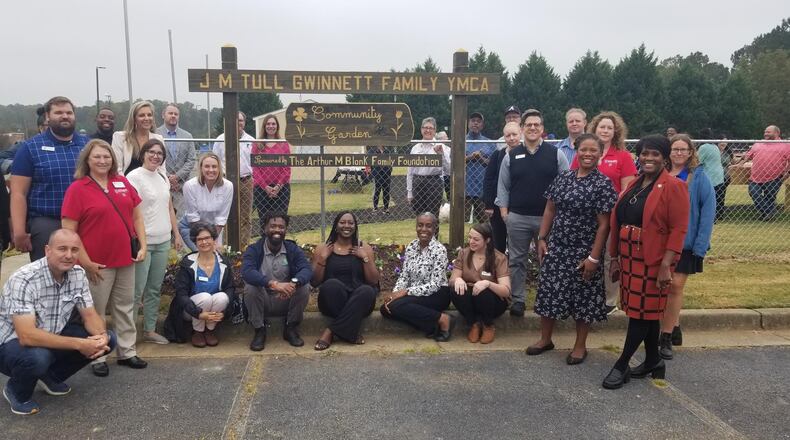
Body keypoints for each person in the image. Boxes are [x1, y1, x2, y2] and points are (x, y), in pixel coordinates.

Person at [602, 135, 689, 390]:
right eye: (644, 154)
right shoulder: (635, 185)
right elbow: (619, 220)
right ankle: (653, 360)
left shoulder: (673, 186)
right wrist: (615, 257)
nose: (649, 158)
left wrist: (666, 265)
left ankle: (621, 365)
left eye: (655, 154)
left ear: (664, 157)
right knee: (645, 312)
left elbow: (679, 229)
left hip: (653, 260)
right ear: (638, 156)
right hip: (629, 258)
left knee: (641, 315)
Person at [0, 229, 116, 415]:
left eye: (74, 250)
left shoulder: (77, 274)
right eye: (62, 249)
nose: (69, 255)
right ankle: (15, 390)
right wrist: (80, 344)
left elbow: (90, 315)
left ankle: (48, 376)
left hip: (50, 334)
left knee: (109, 339)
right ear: (48, 250)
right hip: (10, 344)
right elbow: (26, 335)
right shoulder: (24, 279)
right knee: (38, 358)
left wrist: (100, 337)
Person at [61, 139, 148, 377]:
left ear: (113, 159)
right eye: (97, 157)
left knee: (125, 306)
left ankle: (127, 352)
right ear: (87, 160)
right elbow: (69, 231)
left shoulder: (122, 182)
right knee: (95, 311)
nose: (102, 161)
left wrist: (143, 244)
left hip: (125, 259)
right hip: (96, 263)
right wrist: (85, 262)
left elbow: (137, 217)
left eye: (106, 156)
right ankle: (97, 354)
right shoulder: (78, 189)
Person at [529, 134, 618, 364]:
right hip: (557, 247)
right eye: (584, 149)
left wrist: (594, 257)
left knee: (583, 299)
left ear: (600, 153)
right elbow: (550, 209)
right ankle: (545, 339)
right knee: (549, 293)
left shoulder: (602, 184)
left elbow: (604, 225)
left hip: (584, 251)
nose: (588, 154)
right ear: (576, 151)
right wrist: (542, 237)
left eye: (593, 150)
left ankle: (580, 346)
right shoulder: (564, 178)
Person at [496, 109, 570, 317]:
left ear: (542, 129)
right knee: (517, 260)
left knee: (547, 259)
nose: (533, 128)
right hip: (517, 217)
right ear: (522, 129)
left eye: (537, 124)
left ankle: (547, 298)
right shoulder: (512, 155)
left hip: (547, 218)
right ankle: (518, 300)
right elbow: (503, 186)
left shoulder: (556, 154)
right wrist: (504, 213)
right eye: (529, 125)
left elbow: (565, 185)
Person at [571, 111, 638, 315]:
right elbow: (574, 179)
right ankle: (582, 294)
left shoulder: (623, 156)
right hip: (584, 216)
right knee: (585, 254)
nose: (606, 130)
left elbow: (627, 188)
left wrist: (613, 208)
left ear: (615, 131)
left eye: (609, 127)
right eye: (602, 127)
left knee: (610, 256)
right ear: (594, 129)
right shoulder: (584, 152)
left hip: (610, 215)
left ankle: (609, 300)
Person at [10, 96, 89, 262]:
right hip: (47, 222)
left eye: (69, 112)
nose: (65, 116)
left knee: (86, 275)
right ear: (47, 116)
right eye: (58, 112)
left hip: (85, 221)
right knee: (49, 277)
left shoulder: (87, 145)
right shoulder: (30, 148)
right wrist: (18, 231)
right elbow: (18, 193)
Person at [661, 134, 715, 360]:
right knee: (662, 287)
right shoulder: (660, 175)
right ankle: (674, 326)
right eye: (675, 149)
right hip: (662, 243)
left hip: (686, 243)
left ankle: (664, 338)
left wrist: (700, 247)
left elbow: (707, 213)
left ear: (691, 152)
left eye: (684, 149)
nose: (679, 153)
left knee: (674, 287)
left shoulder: (699, 177)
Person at [126, 139, 184, 345]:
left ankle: (149, 330)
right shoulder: (133, 177)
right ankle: (128, 334)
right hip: (144, 243)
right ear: (143, 154)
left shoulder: (162, 177)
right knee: (136, 290)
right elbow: (130, 211)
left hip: (162, 241)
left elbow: (169, 208)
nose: (155, 156)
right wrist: (139, 241)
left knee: (153, 288)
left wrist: (176, 234)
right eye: (151, 152)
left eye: (160, 153)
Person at [310, 212, 379, 350]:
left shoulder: (364, 248)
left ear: (355, 226)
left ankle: (330, 332)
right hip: (332, 299)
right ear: (336, 226)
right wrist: (322, 260)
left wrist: (365, 258)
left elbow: (373, 281)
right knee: (331, 284)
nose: (346, 226)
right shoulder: (323, 248)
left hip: (359, 300)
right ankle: (350, 331)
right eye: (342, 222)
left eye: (350, 223)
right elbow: (315, 282)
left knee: (366, 290)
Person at [243, 213, 312, 351]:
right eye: (273, 226)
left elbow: (306, 269)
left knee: (304, 287)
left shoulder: (292, 249)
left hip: (285, 299)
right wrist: (273, 284)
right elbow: (247, 272)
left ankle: (290, 328)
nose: (277, 230)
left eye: (281, 227)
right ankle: (259, 330)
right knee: (250, 288)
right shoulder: (254, 249)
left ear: (286, 230)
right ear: (264, 229)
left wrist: (293, 284)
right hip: (263, 300)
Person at [380, 213, 454, 341]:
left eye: (428, 226)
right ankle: (431, 325)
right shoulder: (411, 247)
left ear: (435, 228)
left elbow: (435, 285)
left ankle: (444, 319)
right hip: (415, 294)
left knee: (395, 307)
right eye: (420, 225)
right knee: (385, 309)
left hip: (437, 293)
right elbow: (404, 275)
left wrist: (406, 292)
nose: (424, 229)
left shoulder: (439, 250)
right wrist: (394, 294)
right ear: (416, 227)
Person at [164, 222, 236, 347]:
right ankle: (198, 332)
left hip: (214, 308)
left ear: (214, 239)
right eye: (200, 239)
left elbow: (230, 288)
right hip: (189, 311)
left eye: (207, 238)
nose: (204, 242)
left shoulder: (223, 263)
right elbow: (181, 294)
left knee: (223, 297)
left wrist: (224, 313)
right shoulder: (188, 263)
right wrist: (199, 314)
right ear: (195, 242)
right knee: (205, 297)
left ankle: (209, 330)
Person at [448, 223, 511, 344]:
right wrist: (458, 279)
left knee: (484, 291)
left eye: (476, 239)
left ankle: (488, 325)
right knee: (454, 289)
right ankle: (474, 324)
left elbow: (506, 290)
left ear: (487, 240)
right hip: (471, 299)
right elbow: (452, 279)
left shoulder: (499, 258)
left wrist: (488, 283)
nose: (471, 241)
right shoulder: (463, 253)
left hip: (492, 302)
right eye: (469, 237)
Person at [214, 111, 255, 246]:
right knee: (224, 215)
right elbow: (216, 161)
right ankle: (225, 246)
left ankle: (243, 247)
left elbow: (254, 163)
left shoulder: (251, 141)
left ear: (244, 123)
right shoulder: (220, 140)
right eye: (235, 120)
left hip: (245, 181)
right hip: (225, 182)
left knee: (245, 216)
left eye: (241, 121)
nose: (238, 124)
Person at [178, 152, 233, 251]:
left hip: (216, 229)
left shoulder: (228, 186)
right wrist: (205, 240)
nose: (211, 170)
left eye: (214, 166)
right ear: (201, 168)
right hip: (192, 228)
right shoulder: (189, 186)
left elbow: (222, 217)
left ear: (219, 169)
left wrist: (212, 239)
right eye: (207, 166)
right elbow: (193, 217)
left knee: (216, 255)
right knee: (199, 255)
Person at [250, 115, 291, 238]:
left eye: (273, 124)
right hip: (261, 190)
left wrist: (278, 186)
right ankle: (264, 248)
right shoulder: (257, 144)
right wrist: (266, 187)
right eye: (268, 124)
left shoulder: (283, 144)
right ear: (264, 126)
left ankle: (280, 246)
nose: (271, 126)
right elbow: (255, 168)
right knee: (264, 220)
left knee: (280, 221)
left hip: (281, 189)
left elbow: (287, 168)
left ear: (277, 126)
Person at [739, 125, 790, 221]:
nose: (765, 134)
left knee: (770, 198)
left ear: (777, 133)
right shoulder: (758, 144)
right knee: (754, 193)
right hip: (755, 177)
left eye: (768, 132)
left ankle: (766, 216)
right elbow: (747, 156)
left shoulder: (785, 145)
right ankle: (770, 211)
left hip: (775, 178)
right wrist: (739, 164)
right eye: (765, 132)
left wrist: (787, 173)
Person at [484, 121, 521, 253]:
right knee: (498, 240)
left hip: (518, 206)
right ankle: (498, 268)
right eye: (508, 135)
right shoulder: (497, 155)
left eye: (514, 134)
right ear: (504, 137)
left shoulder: (527, 155)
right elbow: (488, 179)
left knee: (516, 242)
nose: (511, 138)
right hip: (498, 205)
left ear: (520, 134)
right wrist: (488, 204)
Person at [156, 103, 196, 214]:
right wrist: (168, 177)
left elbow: (191, 160)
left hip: (181, 186)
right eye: (170, 113)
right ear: (163, 115)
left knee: (181, 219)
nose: (173, 116)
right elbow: (154, 159)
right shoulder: (155, 134)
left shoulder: (187, 136)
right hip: (161, 182)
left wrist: (177, 177)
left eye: (176, 114)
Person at [407, 118, 450, 217]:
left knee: (433, 216)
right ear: (421, 129)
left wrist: (441, 155)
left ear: (435, 130)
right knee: (419, 215)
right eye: (425, 127)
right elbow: (410, 172)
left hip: (434, 183)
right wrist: (409, 192)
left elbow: (448, 170)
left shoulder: (441, 146)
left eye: (431, 128)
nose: (428, 130)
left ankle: (435, 233)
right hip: (417, 183)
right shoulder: (415, 148)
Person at [111, 100, 165, 175]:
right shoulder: (120, 137)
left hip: (151, 184)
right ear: (134, 119)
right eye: (142, 115)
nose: (146, 118)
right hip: (126, 183)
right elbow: (117, 169)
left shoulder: (159, 139)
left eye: (149, 115)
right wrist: (127, 185)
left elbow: (161, 169)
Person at [465, 112, 496, 223]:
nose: (475, 123)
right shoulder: (460, 141)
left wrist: (481, 158)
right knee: (460, 222)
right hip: (464, 189)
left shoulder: (489, 143)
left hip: (482, 190)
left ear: (482, 125)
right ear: (468, 123)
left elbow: (493, 164)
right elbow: (454, 161)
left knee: (485, 223)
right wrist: (470, 157)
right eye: (473, 121)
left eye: (478, 121)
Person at [696, 128, 724, 222]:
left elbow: (697, 161)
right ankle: (718, 215)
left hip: (710, 176)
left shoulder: (703, 147)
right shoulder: (715, 146)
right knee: (717, 198)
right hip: (719, 176)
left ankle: (710, 217)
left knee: (707, 199)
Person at [369, 146, 392, 213]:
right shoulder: (372, 151)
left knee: (386, 191)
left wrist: (389, 169)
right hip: (377, 174)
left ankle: (386, 208)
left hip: (386, 174)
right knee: (377, 191)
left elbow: (390, 161)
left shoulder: (387, 151)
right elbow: (369, 161)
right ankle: (375, 208)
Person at [716, 135, 733, 219]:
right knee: (715, 195)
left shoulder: (728, 152)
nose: (724, 143)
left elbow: (733, 162)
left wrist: (743, 159)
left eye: (726, 141)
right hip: (714, 176)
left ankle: (720, 213)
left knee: (721, 195)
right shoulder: (713, 151)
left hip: (725, 177)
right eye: (722, 141)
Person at [436, 130, 452, 202]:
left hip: (445, 175)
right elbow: (448, 163)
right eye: (446, 136)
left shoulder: (448, 149)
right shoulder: (445, 148)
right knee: (448, 197)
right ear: (441, 138)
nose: (448, 138)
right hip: (445, 175)